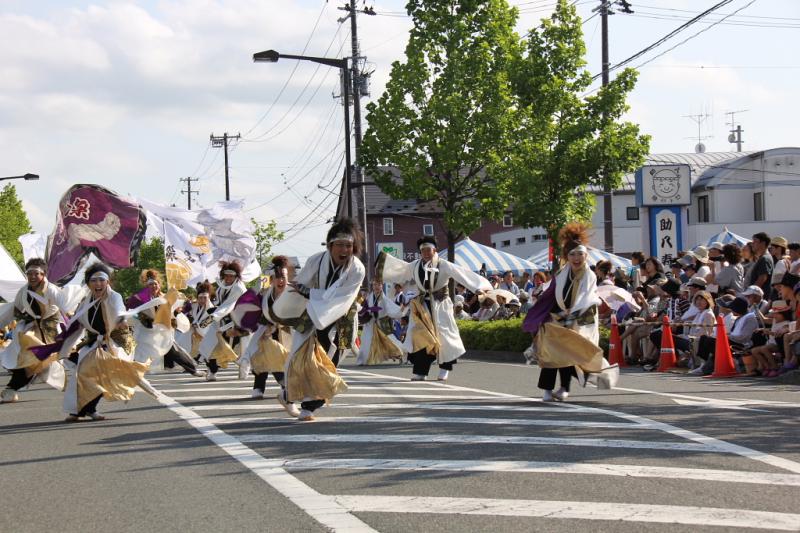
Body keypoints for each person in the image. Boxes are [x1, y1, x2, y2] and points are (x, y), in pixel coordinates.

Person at [272, 218, 365, 421]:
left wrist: (309, 293)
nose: (344, 250)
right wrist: (292, 302)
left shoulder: (357, 268)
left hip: (341, 319)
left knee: (329, 364)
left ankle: (307, 406)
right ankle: (289, 394)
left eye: (348, 245)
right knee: (302, 358)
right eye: (339, 245)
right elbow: (300, 284)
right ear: (330, 245)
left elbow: (342, 297)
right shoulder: (316, 260)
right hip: (313, 314)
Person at [376, 235, 492, 382]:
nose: (426, 253)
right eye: (423, 250)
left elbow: (461, 274)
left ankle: (445, 368)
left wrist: (478, 288)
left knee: (445, 337)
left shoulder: (444, 264)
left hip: (440, 305)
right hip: (422, 307)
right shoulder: (414, 265)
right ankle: (421, 371)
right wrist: (384, 266)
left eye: (428, 250)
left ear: (435, 250)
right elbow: (400, 270)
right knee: (420, 337)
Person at [524, 223, 610, 402]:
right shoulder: (562, 274)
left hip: (582, 316)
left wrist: (573, 313)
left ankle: (565, 387)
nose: (577, 258)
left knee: (571, 353)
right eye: (572, 254)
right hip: (562, 316)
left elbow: (587, 297)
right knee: (551, 352)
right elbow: (551, 294)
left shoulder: (589, 275)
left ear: (586, 255)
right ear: (566, 257)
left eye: (580, 254)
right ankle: (548, 389)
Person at [58, 263, 154, 421]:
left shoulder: (114, 296)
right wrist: (65, 344)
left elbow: (119, 310)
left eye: (101, 280)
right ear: (88, 283)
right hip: (95, 343)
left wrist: (121, 318)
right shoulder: (85, 302)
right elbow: (78, 323)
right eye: (94, 280)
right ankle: (82, 410)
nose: (98, 284)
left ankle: (85, 410)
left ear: (107, 282)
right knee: (83, 373)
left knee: (103, 372)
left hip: (115, 340)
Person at [0, 258, 69, 403]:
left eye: (36, 273)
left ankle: (12, 388)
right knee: (26, 360)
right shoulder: (24, 291)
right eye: (29, 273)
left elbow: (66, 309)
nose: (32, 276)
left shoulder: (52, 290)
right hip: (31, 331)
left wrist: (71, 328)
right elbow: (15, 309)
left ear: (43, 274)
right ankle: (12, 388)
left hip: (51, 330)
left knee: (37, 361)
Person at [127, 269, 204, 378]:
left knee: (174, 350)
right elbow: (131, 308)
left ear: (159, 285)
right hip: (146, 330)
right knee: (140, 350)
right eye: (150, 284)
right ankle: (131, 371)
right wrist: (140, 316)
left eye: (155, 284)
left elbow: (173, 311)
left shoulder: (164, 297)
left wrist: (176, 313)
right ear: (146, 286)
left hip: (162, 331)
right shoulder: (140, 298)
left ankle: (193, 370)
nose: (153, 286)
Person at [238, 256, 293, 401]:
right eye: (277, 277)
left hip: (286, 331)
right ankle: (258, 387)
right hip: (265, 329)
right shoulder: (267, 292)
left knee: (280, 358)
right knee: (260, 356)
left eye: (283, 277)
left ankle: (285, 385)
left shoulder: (292, 293)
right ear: (272, 279)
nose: (281, 281)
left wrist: (275, 326)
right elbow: (257, 299)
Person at [198, 260, 248, 381]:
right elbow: (220, 303)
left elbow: (229, 305)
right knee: (209, 344)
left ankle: (243, 365)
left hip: (237, 322)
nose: (228, 278)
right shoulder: (222, 286)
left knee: (228, 348)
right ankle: (212, 371)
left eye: (231, 276)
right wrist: (213, 309)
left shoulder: (238, 288)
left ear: (236, 276)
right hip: (222, 320)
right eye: (226, 275)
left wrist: (213, 316)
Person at [356, 279, 404, 366]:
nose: (376, 287)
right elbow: (365, 307)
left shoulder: (384, 299)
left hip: (381, 323)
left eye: (378, 285)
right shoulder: (369, 297)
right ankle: (363, 360)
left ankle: (400, 354)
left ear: (382, 286)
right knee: (366, 341)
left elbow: (391, 309)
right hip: (370, 323)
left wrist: (401, 309)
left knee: (389, 340)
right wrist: (367, 310)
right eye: (374, 285)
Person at [177, 281, 215, 360]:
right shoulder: (194, 305)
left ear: (209, 298)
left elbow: (209, 323)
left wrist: (197, 325)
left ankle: (198, 358)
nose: (202, 300)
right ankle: (183, 356)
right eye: (200, 298)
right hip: (195, 330)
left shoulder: (212, 309)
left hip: (206, 332)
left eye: (205, 298)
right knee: (182, 337)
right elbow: (185, 313)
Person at [748, 232, 774, 297]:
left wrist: (751, 293)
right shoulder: (763, 257)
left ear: (763, 243)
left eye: (755, 242)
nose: (752, 244)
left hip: (759, 298)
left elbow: (762, 279)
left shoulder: (765, 258)